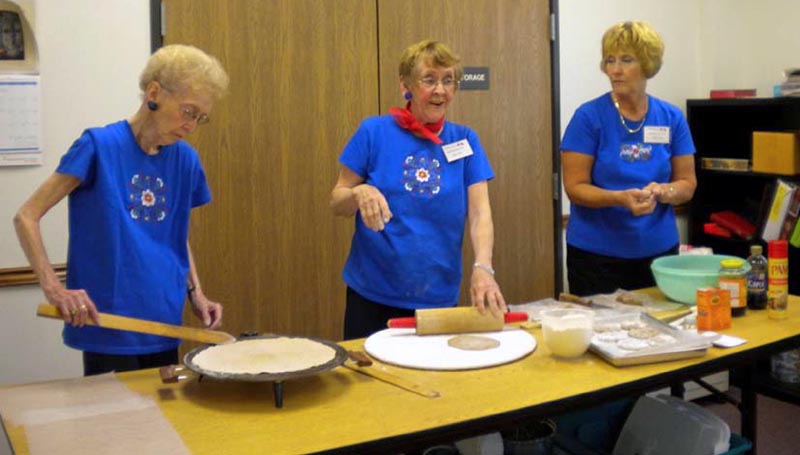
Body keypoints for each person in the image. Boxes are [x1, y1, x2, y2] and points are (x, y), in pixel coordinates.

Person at [13, 44, 229, 375]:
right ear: (154, 92)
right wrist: (54, 288)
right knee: (115, 424)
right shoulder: (99, 146)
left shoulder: (186, 160)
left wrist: (196, 294)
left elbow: (175, 233)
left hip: (165, 321)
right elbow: (26, 216)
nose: (191, 125)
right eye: (187, 111)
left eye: (200, 118)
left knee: (163, 423)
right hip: (109, 322)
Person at [330, 40, 506, 340]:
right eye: (429, 80)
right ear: (406, 86)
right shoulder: (373, 132)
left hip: (437, 297)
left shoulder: (465, 140)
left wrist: (483, 267)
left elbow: (479, 212)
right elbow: (337, 201)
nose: (440, 90)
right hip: (372, 296)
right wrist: (359, 193)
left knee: (432, 382)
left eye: (448, 80)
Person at [561, 21, 696, 296]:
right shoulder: (588, 118)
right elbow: (575, 188)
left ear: (647, 64)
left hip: (659, 255)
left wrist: (663, 191)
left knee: (658, 333)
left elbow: (687, 183)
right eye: (609, 60)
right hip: (596, 258)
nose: (615, 70)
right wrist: (620, 198)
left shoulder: (671, 118)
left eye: (626, 60)